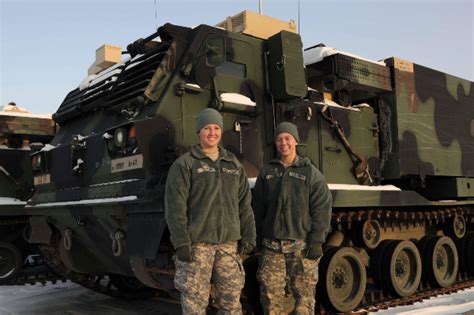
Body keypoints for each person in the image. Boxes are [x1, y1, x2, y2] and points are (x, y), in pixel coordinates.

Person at [165, 108, 256, 315]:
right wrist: (181, 242)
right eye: (207, 128)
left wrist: (249, 234)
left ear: (221, 132)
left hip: (228, 245)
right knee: (195, 304)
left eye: (216, 128)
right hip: (198, 246)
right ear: (199, 131)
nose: (212, 132)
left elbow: (244, 204)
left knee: (231, 301)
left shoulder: (233, 165)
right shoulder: (185, 165)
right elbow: (175, 208)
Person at [253, 122, 332, 314]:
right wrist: (256, 236)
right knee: (270, 299)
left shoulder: (310, 173)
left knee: (304, 300)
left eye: (287, 138)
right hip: (272, 247)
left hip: (301, 247)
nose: (283, 143)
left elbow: (321, 208)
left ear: (296, 141)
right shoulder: (267, 172)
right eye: (279, 139)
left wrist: (316, 240)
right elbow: (257, 207)